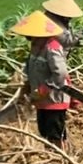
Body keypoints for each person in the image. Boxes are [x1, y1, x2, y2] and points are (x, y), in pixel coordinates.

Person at [10, 10, 72, 148]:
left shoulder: (52, 47)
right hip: (41, 101)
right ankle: (51, 157)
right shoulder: (35, 48)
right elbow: (32, 73)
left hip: (55, 99)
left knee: (55, 134)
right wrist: (26, 90)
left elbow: (61, 75)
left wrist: (44, 89)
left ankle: (61, 159)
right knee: (44, 132)